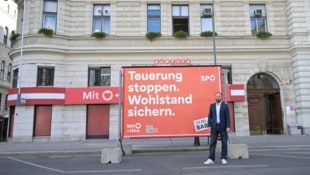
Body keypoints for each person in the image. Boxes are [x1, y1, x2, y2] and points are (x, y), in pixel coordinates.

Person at [204, 92, 230, 165]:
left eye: (219, 96)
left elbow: (227, 117)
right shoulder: (212, 106)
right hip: (214, 126)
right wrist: (209, 125)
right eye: (216, 96)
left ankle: (224, 158)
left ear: (221, 97)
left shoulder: (225, 106)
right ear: (215, 97)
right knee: (212, 143)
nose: (217, 97)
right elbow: (210, 116)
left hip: (223, 127)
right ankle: (211, 159)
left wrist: (228, 126)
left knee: (224, 142)